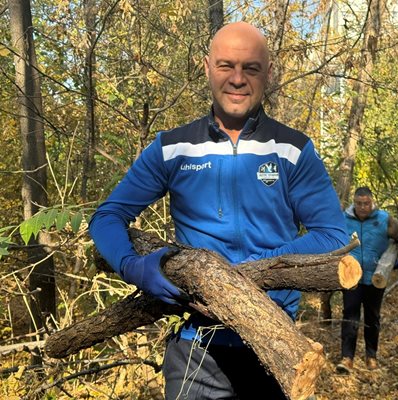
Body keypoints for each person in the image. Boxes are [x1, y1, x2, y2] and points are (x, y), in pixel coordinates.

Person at [89, 22, 348, 400]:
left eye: (251, 68)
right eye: (226, 65)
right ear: (207, 67)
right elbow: (107, 217)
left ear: (268, 74)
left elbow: (334, 237)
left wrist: (257, 270)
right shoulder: (172, 148)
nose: (238, 79)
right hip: (196, 346)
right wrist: (133, 266)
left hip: (273, 343)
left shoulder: (293, 150)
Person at [336, 187, 398, 373]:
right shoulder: (344, 219)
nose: (363, 207)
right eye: (359, 203)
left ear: (372, 202)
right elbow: (333, 240)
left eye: (366, 203)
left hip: (376, 278)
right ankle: (347, 358)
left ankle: (371, 356)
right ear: (354, 202)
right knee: (350, 315)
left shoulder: (384, 219)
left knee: (372, 316)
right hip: (351, 276)